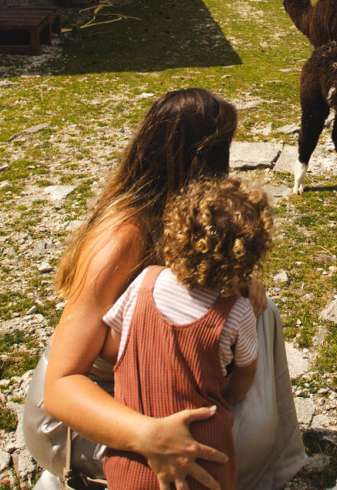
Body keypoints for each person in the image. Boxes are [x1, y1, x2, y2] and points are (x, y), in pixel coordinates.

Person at [23, 88, 305, 490]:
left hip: (149, 383)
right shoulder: (120, 239)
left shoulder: (179, 220)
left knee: (262, 313)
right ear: (200, 160)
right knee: (242, 440)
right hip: (79, 417)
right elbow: (61, 387)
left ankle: (274, 462)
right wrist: (147, 435)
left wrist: (236, 281)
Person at [102, 176, 274, 490]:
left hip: (132, 462)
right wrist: (223, 392)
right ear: (249, 255)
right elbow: (243, 379)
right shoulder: (237, 311)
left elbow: (113, 349)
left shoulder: (145, 282)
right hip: (203, 463)